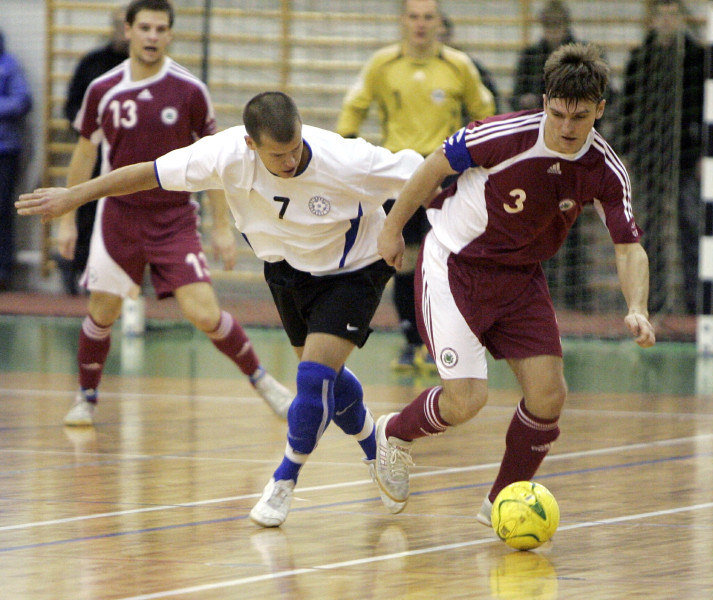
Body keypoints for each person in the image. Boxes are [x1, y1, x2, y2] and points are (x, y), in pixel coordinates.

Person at [16, 90, 424, 526]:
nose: (290, 162)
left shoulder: (345, 158)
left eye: (294, 149)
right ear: (250, 144)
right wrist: (75, 196)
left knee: (313, 377)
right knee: (324, 381)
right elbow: (145, 174)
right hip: (288, 269)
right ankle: (374, 445)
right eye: (277, 155)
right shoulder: (224, 153)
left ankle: (284, 480)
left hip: (354, 268)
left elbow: (425, 171)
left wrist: (395, 226)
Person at [373, 43, 655, 521]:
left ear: (600, 110)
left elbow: (628, 245)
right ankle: (395, 433)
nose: (567, 127)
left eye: (580, 116)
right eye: (558, 112)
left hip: (522, 278)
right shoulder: (504, 135)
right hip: (455, 267)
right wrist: (391, 228)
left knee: (549, 395)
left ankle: (501, 503)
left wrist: (637, 308)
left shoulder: (606, 169)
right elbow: (432, 168)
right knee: (466, 401)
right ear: (545, 101)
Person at [35, 0, 293, 426]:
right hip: (118, 217)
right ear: (129, 30)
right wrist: (67, 217)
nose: (153, 36)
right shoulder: (103, 89)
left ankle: (266, 383)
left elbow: (216, 160)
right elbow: (84, 155)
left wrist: (222, 228)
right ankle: (86, 397)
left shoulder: (189, 90)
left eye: (161, 29)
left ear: (170, 35)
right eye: (145, 28)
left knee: (205, 312)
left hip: (174, 218)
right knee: (102, 311)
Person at [336, 0, 494, 372]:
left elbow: (485, 114)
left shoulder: (458, 66)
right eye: (413, 16)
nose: (420, 24)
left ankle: (449, 343)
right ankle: (411, 342)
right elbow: (352, 109)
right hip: (399, 176)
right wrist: (347, 152)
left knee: (449, 259)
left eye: (427, 17)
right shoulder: (383, 64)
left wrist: (480, 163)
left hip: (446, 176)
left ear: (439, 22)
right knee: (402, 260)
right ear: (402, 21)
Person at [510, 0, 612, 310]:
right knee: (540, 219)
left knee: (574, 220)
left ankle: (576, 292)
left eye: (558, 25)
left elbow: (605, 100)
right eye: (548, 25)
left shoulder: (586, 63)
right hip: (539, 154)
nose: (553, 31)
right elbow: (516, 98)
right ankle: (543, 288)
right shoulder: (531, 57)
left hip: (576, 156)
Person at [620, 0, 704, 315]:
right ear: (652, 21)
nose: (668, 22)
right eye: (662, 16)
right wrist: (626, 153)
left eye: (673, 15)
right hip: (648, 157)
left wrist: (703, 155)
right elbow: (628, 110)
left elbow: (705, 109)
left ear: (681, 19)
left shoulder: (697, 58)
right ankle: (651, 301)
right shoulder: (640, 59)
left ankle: (696, 302)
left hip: (687, 156)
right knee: (650, 230)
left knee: (690, 225)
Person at [57, 5, 129, 296]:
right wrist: (93, 128)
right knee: (87, 212)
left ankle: (122, 279)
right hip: (97, 151)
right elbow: (72, 105)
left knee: (125, 219)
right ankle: (77, 269)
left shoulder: (151, 71)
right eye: (121, 25)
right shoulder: (94, 64)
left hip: (131, 157)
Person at [0, 30, 33, 291]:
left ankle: (3, 271)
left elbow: (22, 101)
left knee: (2, 211)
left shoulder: (8, 65)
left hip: (4, 150)